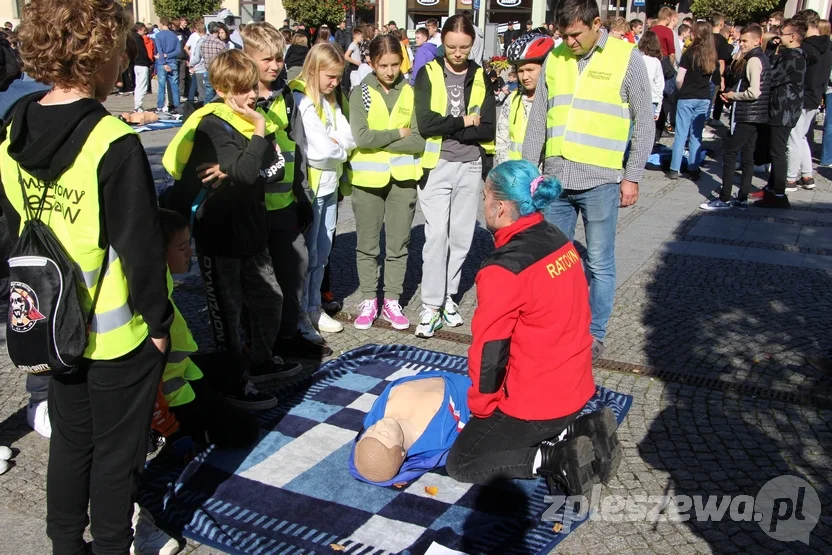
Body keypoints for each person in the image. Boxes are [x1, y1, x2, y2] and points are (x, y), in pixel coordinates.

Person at [0, 0, 174, 551]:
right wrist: (160, 320)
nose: (124, 57)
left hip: (49, 320)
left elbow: (9, 232)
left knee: (72, 443)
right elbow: (141, 248)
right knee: (118, 453)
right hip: (115, 331)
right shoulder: (112, 142)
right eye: (119, 46)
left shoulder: (12, 129)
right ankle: (110, 546)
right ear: (96, 54)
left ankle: (64, 545)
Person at [445, 161, 620, 498]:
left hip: (537, 400)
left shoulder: (503, 269)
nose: (482, 204)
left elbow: (490, 351)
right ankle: (580, 425)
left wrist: (482, 407)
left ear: (500, 207)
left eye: (485, 196)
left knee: (463, 461)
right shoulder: (556, 236)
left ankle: (554, 456)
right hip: (576, 384)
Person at [162, 50, 301, 395]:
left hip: (253, 232)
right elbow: (248, 168)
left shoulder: (252, 120)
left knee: (270, 301)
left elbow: (275, 167)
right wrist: (255, 141)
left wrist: (243, 166)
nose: (252, 95)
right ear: (223, 88)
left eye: (253, 87)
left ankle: (261, 361)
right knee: (227, 313)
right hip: (220, 237)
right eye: (243, 89)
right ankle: (234, 378)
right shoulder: (213, 122)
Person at [521, 0, 653, 359]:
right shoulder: (556, 58)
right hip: (557, 179)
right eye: (564, 34)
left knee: (598, 261)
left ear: (597, 23)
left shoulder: (627, 58)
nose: (570, 41)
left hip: (601, 179)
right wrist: (527, 171)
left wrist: (633, 176)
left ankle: (593, 333)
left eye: (576, 34)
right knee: (552, 260)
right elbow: (538, 121)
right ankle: (555, 325)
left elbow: (645, 121)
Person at [238, 22, 331, 358]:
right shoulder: (238, 98)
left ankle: (288, 335)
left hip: (285, 203)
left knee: (295, 267)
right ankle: (257, 342)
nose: (275, 66)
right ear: (247, 59)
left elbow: (298, 150)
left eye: (278, 58)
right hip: (252, 208)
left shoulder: (288, 97)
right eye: (266, 60)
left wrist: (303, 194)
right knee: (258, 280)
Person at [413, 15, 496, 339]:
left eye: (464, 47)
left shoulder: (479, 75)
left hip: (470, 165)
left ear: (472, 44)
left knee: (461, 238)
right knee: (436, 237)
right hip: (436, 165)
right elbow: (426, 124)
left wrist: (453, 126)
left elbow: (487, 126)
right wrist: (463, 121)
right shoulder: (428, 72)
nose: (458, 53)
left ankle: (449, 298)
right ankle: (431, 307)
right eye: (451, 47)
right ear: (442, 42)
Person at [349, 34, 425, 331]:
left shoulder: (411, 91)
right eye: (383, 65)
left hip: (403, 179)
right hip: (367, 179)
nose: (390, 71)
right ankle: (370, 298)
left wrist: (380, 141)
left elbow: (419, 142)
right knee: (367, 245)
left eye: (395, 64)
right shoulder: (361, 92)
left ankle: (392, 299)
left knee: (398, 244)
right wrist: (397, 133)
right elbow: (361, 137)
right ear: (371, 63)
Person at [290, 43, 355, 342]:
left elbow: (347, 136)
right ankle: (301, 314)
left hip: (330, 185)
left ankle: (314, 307)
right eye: (330, 76)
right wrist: (338, 146)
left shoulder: (329, 100)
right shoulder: (302, 97)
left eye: (338, 77)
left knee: (323, 253)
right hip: (312, 188)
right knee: (309, 255)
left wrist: (336, 145)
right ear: (314, 70)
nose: (335, 83)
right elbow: (318, 151)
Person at [701, 25, 770, 211]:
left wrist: (733, 96)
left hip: (749, 114)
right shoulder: (759, 58)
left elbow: (754, 92)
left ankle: (724, 198)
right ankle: (742, 197)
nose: (741, 44)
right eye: (740, 40)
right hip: (757, 115)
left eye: (745, 40)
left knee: (731, 154)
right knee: (747, 156)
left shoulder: (754, 59)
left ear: (757, 40)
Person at [753, 18, 807, 209]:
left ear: (792, 37)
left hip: (783, 109)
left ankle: (778, 194)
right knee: (775, 149)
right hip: (781, 108)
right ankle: (771, 190)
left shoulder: (793, 57)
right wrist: (770, 50)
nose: (779, 37)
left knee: (777, 152)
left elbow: (772, 76)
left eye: (782, 34)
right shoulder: (789, 54)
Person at [785, 10, 831, 191]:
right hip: (816, 94)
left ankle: (790, 178)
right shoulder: (827, 46)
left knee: (794, 138)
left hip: (802, 95)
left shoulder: (806, 47)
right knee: (801, 137)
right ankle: (807, 175)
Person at [495, 32, 555, 166]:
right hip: (515, 175)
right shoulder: (513, 99)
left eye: (530, 69)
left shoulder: (553, 100)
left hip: (542, 176)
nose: (525, 76)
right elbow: (501, 139)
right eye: (520, 71)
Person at [667, 22, 716, 181]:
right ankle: (693, 167)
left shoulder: (690, 53)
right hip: (703, 97)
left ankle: (674, 168)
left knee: (681, 133)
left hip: (687, 96)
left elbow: (680, 78)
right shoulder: (711, 55)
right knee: (696, 135)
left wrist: (681, 89)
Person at [154, 17, 182, 112]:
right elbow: (178, 51)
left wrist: (163, 61)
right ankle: (176, 105)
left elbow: (159, 50)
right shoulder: (174, 36)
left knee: (161, 85)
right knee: (174, 85)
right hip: (173, 61)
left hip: (162, 63)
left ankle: (160, 105)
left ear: (161, 24)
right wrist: (169, 55)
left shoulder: (158, 36)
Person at [640, 30, 665, 126]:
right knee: (646, 132)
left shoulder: (637, 58)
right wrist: (658, 110)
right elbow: (659, 87)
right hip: (651, 100)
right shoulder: (656, 62)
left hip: (637, 99)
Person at [132, 23, 153, 112]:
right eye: (144, 30)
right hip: (142, 64)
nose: (145, 33)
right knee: (142, 86)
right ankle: (138, 106)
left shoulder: (133, 38)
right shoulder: (138, 39)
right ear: (139, 30)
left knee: (138, 86)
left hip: (136, 64)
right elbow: (143, 52)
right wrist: (149, 61)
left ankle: (137, 105)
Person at [186, 20, 207, 104]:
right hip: (208, 68)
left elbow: (197, 58)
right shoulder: (209, 39)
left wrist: (190, 64)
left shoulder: (200, 41)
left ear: (197, 30)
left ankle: (198, 105)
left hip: (199, 68)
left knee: (201, 90)